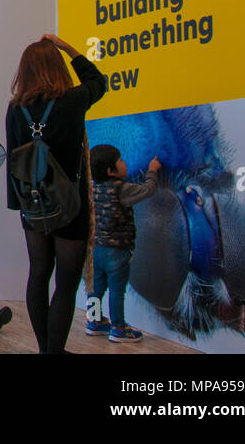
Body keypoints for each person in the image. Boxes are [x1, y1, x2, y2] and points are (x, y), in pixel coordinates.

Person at [5, 34, 105, 354]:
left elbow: (13, 159)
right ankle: (55, 352)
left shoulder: (15, 110)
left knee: (38, 274)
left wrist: (16, 204)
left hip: (32, 206)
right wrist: (70, 49)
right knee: (66, 283)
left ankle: (46, 350)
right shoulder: (73, 101)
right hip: (70, 207)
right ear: (57, 67)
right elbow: (98, 81)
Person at [86, 144, 162, 343]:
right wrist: (152, 171)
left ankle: (93, 322)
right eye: (120, 161)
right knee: (117, 290)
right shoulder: (122, 189)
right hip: (117, 250)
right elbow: (149, 190)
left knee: (95, 288)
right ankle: (118, 327)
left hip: (97, 248)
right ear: (111, 171)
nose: (125, 163)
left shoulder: (92, 187)